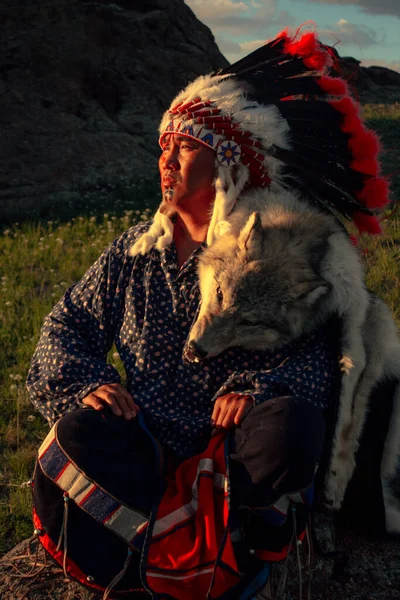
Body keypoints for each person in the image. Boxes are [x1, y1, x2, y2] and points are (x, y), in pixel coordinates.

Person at [27, 27, 397, 600]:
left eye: (185, 146)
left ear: (228, 161)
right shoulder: (133, 253)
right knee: (77, 429)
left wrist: (255, 387)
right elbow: (65, 326)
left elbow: (318, 358)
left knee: (292, 429)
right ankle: (205, 545)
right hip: (145, 446)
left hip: (233, 455)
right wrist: (89, 382)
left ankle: (192, 534)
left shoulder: (269, 254)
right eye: (163, 146)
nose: (166, 160)